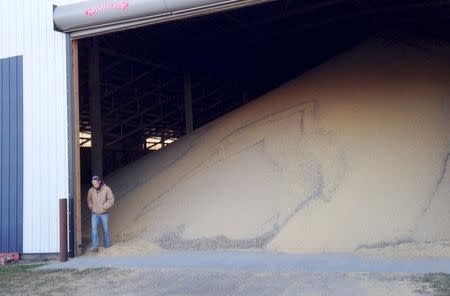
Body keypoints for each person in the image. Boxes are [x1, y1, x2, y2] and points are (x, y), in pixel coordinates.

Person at [87, 176, 115, 252]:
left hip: (104, 213)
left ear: (99, 181)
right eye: (93, 183)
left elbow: (111, 199)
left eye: (95, 183)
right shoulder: (91, 191)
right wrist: (91, 207)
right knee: (94, 230)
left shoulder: (106, 189)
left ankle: (107, 244)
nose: (94, 185)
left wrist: (104, 207)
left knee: (105, 229)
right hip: (94, 214)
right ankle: (95, 246)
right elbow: (89, 200)